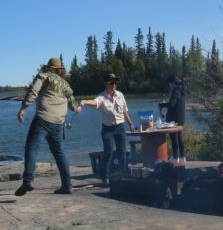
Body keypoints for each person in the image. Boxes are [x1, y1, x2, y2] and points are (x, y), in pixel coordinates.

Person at [15, 57, 82, 196]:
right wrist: (79, 107)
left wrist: (23, 108)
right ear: (59, 70)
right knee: (59, 153)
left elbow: (33, 91)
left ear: (49, 68)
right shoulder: (65, 85)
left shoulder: (43, 76)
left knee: (31, 147)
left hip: (43, 119)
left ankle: (28, 180)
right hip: (58, 123)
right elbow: (74, 107)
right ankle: (67, 186)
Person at [81, 73, 135, 187]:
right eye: (111, 82)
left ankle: (121, 175)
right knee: (108, 152)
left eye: (115, 82)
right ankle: (105, 177)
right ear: (106, 84)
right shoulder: (101, 97)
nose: (114, 84)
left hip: (120, 127)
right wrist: (85, 101)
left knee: (122, 152)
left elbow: (124, 111)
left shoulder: (120, 95)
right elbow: (95, 102)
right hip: (108, 129)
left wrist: (130, 123)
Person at [159, 75, 186, 165]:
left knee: (174, 138)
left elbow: (172, 104)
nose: (169, 85)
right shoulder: (181, 89)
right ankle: (182, 157)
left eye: (169, 84)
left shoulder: (175, 91)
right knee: (179, 137)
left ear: (171, 83)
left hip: (174, 119)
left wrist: (162, 104)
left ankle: (175, 158)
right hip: (181, 118)